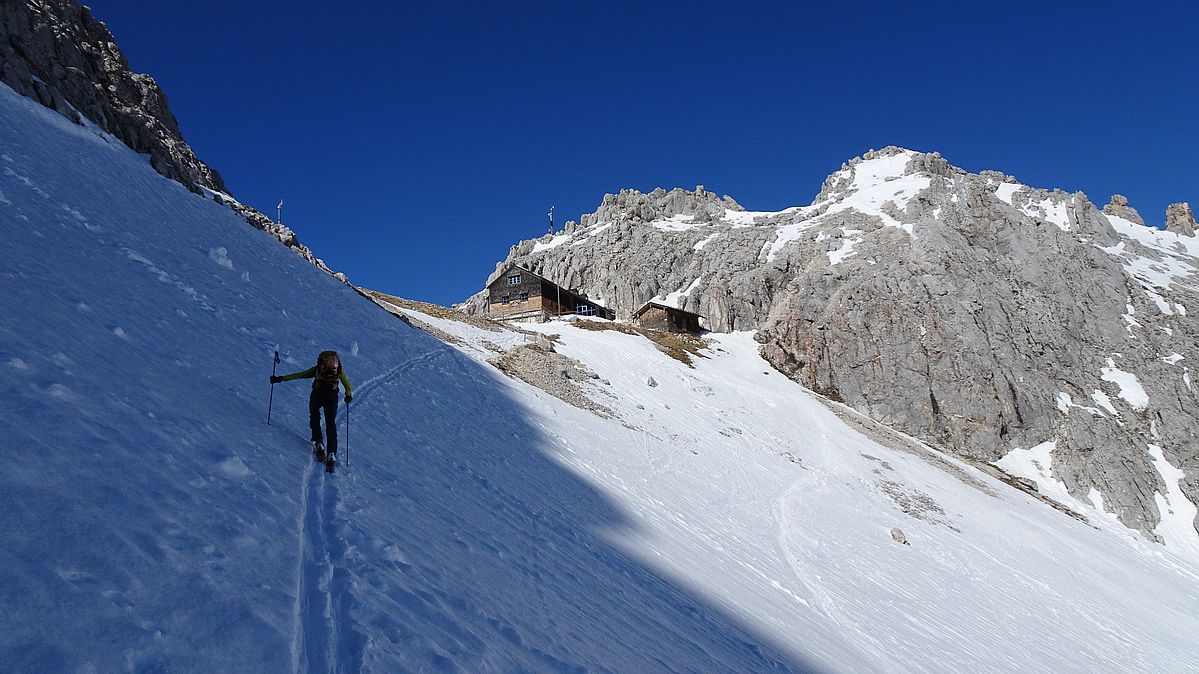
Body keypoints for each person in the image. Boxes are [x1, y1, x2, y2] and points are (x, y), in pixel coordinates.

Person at [270, 350, 352, 461]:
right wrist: (348, 396)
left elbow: (300, 375)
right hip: (331, 397)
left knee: (314, 416)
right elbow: (348, 386)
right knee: (330, 423)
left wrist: (280, 378)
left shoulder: (318, 369)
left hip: (317, 394)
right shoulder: (339, 371)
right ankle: (332, 452)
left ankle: (319, 442)